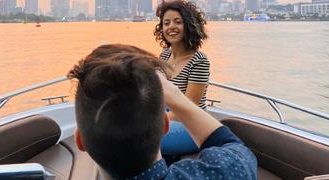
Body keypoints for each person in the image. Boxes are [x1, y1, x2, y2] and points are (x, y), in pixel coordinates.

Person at [68, 44, 257, 180]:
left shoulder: (197, 60)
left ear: (80, 140)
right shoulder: (225, 171)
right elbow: (235, 148)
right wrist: (174, 95)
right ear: (165, 125)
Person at [153, 0, 210, 156]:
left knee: (141, 138)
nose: (171, 26)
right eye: (166, 23)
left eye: (178, 22)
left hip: (192, 126)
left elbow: (188, 109)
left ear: (188, 26)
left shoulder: (199, 61)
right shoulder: (165, 54)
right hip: (167, 115)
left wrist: (151, 120)